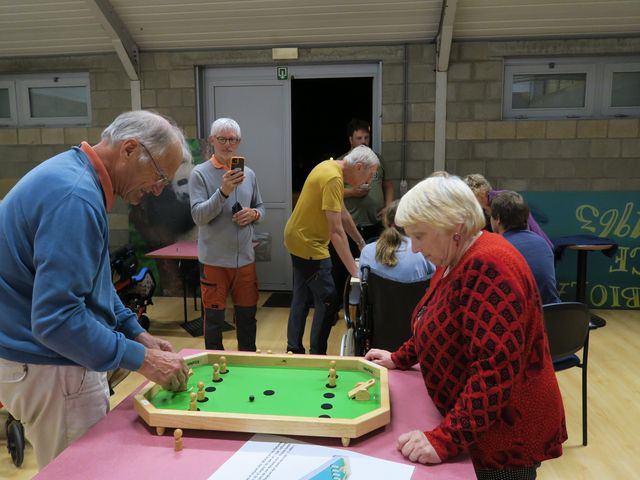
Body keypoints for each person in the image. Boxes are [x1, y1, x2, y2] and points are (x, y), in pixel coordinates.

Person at [0, 110, 192, 470]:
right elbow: (56, 320)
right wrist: (143, 360)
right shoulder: (75, 196)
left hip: (45, 362)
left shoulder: (76, 177)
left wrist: (136, 334)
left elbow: (95, 283)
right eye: (160, 175)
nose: (158, 189)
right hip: (52, 366)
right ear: (130, 150)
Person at [365, 174, 567, 479]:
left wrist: (446, 440)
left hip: (503, 443)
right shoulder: (456, 257)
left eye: (419, 235)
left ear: (454, 228)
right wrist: (400, 357)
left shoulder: (490, 266)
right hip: (479, 427)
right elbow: (433, 320)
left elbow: (494, 371)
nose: (415, 248)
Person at [284, 145, 379, 354]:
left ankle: (293, 349)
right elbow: (336, 231)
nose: (368, 182)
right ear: (359, 167)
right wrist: (355, 273)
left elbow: (342, 213)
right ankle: (317, 354)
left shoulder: (330, 166)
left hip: (296, 237)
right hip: (308, 243)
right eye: (370, 175)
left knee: (301, 295)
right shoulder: (333, 178)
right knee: (328, 301)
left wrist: (360, 243)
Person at [189, 118, 265, 351]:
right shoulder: (199, 174)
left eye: (233, 139)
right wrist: (224, 191)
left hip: (245, 259)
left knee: (247, 317)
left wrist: (253, 214)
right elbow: (199, 216)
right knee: (213, 321)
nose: (228, 144)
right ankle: (215, 368)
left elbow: (261, 208)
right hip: (214, 261)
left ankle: (248, 363)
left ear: (239, 142)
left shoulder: (249, 174)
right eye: (222, 139)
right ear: (212, 140)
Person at [331, 118, 394, 306]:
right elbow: (333, 191)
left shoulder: (377, 160)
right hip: (350, 225)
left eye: (366, 137)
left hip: (374, 223)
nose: (364, 141)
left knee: (375, 265)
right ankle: (337, 307)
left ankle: (369, 306)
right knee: (341, 267)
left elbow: (388, 185)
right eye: (359, 138)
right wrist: (353, 192)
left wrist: (388, 208)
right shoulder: (343, 163)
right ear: (351, 140)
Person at [490, 191, 561, 305]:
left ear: (497, 218)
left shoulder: (497, 248)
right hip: (553, 314)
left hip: (528, 318)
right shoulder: (543, 243)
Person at [463, 173, 553, 249]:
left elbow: (521, 226)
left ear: (479, 192)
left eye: (470, 197)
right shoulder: (481, 208)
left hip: (531, 243)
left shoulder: (503, 200)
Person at [359, 199, 435, 283]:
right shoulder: (422, 251)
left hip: (378, 296)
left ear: (386, 221)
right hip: (414, 296)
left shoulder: (367, 251)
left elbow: (362, 283)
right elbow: (433, 279)